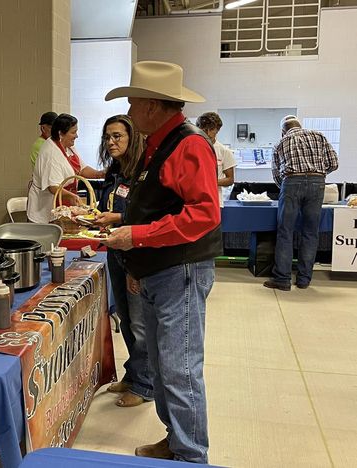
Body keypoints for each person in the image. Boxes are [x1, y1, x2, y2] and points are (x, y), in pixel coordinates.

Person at [102, 61, 222, 463]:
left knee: (179, 370)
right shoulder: (159, 143)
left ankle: (190, 456)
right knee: (162, 363)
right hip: (159, 271)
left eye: (134, 104)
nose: (131, 114)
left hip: (180, 271)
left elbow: (204, 214)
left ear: (153, 105)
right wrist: (137, 265)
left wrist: (137, 238)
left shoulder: (188, 144)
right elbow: (151, 207)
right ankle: (177, 440)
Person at [93, 115, 154, 408]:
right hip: (115, 250)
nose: (111, 142)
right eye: (108, 137)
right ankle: (133, 375)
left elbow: (146, 216)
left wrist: (117, 217)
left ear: (133, 138)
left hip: (137, 252)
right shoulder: (114, 171)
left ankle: (145, 386)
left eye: (118, 136)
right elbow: (111, 204)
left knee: (140, 323)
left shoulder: (142, 171)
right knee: (127, 319)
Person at [263, 116, 338, 291]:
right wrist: (317, 175)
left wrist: (290, 184)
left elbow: (276, 175)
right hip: (317, 183)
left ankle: (282, 279)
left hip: (291, 182)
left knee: (285, 232)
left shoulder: (280, 143)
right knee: (311, 233)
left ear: (284, 130)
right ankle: (304, 280)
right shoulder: (319, 136)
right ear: (299, 126)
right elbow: (334, 163)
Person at [27, 113, 105, 223]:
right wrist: (73, 197)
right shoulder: (51, 153)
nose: (76, 136)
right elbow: (53, 187)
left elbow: (82, 169)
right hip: (45, 211)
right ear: (61, 134)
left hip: (63, 204)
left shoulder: (68, 145)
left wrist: (100, 174)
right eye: (73, 132)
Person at [196, 112, 237, 207]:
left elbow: (230, 180)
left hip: (215, 201)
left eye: (211, 129)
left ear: (217, 130)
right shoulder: (193, 148)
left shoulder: (224, 151)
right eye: (204, 130)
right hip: (194, 200)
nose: (207, 133)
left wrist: (209, 181)